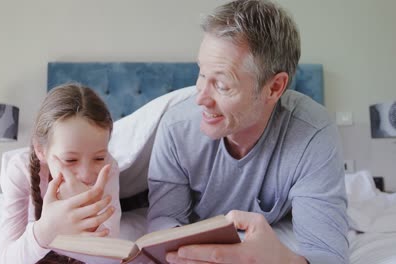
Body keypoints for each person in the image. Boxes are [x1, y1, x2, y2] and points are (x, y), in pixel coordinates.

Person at [147, 0, 349, 263]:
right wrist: (183, 254)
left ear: (274, 88)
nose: (201, 99)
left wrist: (281, 260)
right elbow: (164, 218)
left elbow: (329, 256)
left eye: (221, 84)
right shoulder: (176, 128)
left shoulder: (311, 134)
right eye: (201, 73)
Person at [0, 84, 121, 264]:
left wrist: (90, 221)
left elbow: (111, 257)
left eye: (99, 158)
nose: (86, 175)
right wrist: (46, 229)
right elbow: (5, 260)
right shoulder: (20, 169)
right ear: (41, 150)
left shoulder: (108, 168)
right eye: (70, 160)